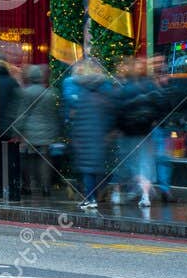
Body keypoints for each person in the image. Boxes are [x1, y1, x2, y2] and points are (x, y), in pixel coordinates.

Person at [111, 56, 163, 209]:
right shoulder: (151, 85)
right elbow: (160, 104)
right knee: (144, 164)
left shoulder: (123, 87)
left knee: (125, 163)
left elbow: (118, 109)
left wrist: (117, 127)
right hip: (145, 131)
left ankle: (118, 193)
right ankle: (144, 195)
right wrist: (154, 120)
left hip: (128, 132)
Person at [64, 58, 115, 211]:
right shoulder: (104, 88)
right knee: (97, 167)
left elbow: (75, 115)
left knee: (87, 169)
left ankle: (90, 198)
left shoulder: (80, 90)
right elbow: (110, 111)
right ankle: (96, 195)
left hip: (85, 135)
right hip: (100, 134)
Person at [7, 65, 60, 197]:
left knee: (27, 159)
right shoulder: (50, 94)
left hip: (28, 133)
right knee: (44, 159)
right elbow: (53, 115)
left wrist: (16, 131)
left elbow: (22, 114)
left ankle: (27, 186)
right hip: (46, 132)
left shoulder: (24, 93)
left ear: (30, 77)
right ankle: (46, 187)